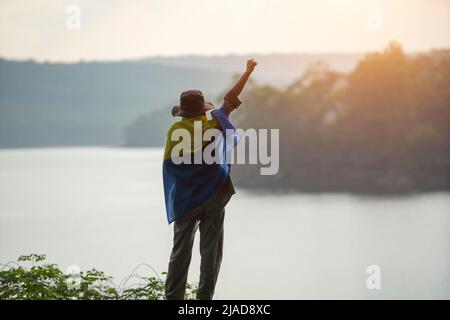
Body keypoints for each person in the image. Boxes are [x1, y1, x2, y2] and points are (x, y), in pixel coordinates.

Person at [162, 59, 258, 300]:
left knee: (180, 252)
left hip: (186, 201)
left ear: (183, 112)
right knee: (211, 251)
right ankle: (204, 300)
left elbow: (171, 166)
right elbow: (231, 98)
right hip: (215, 195)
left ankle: (174, 298)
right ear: (202, 109)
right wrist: (248, 71)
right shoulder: (216, 122)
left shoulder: (176, 132)